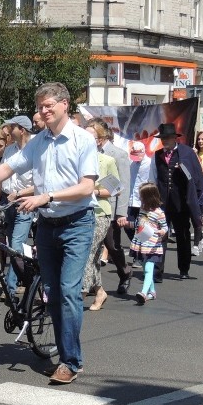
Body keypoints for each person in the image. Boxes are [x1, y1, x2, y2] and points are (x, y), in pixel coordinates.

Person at [0, 82, 99, 385]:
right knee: (54, 294)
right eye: (41, 106)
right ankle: (60, 349)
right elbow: (6, 169)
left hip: (77, 223)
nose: (44, 111)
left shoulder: (83, 139)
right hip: (48, 225)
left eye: (49, 105)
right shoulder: (40, 141)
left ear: (64, 105)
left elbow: (87, 187)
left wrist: (47, 197)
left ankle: (71, 361)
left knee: (69, 292)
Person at [149, 122, 203, 281]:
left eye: (168, 138)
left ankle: (184, 269)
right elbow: (153, 179)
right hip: (162, 203)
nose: (165, 141)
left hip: (181, 202)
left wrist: (183, 170)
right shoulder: (157, 155)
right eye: (163, 138)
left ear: (175, 138)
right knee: (160, 236)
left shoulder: (187, 153)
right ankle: (157, 271)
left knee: (182, 236)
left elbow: (196, 177)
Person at [82, 122, 120, 311]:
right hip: (79, 211)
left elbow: (114, 189)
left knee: (87, 253)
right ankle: (100, 291)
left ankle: (79, 293)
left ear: (99, 140)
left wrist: (93, 191)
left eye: (91, 137)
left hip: (99, 213)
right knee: (92, 255)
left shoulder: (106, 161)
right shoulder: (77, 158)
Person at [92, 120, 132, 294]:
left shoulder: (117, 154)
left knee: (112, 245)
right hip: (91, 206)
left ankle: (125, 273)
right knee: (92, 247)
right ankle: (94, 282)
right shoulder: (88, 152)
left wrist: (122, 212)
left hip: (110, 206)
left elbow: (122, 185)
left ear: (100, 137)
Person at [0, 116, 36, 294]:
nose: (8, 130)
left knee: (16, 245)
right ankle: (30, 280)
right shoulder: (9, 150)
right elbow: (0, 176)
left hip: (25, 203)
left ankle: (10, 288)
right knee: (11, 246)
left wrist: (20, 194)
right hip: (8, 203)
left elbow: (41, 183)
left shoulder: (36, 148)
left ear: (21, 129)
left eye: (12, 127)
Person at [130, 183, 167, 305]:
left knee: (148, 269)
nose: (140, 198)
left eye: (141, 196)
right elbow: (139, 223)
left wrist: (161, 231)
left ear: (149, 197)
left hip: (153, 246)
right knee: (146, 268)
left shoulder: (159, 212)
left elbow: (165, 227)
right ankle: (152, 292)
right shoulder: (142, 209)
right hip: (143, 243)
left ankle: (144, 293)